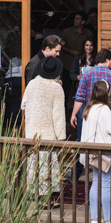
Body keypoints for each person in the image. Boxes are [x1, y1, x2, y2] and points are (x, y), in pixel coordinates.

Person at [22, 56, 66, 196]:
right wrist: (61, 138)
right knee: (46, 165)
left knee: (33, 163)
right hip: (48, 134)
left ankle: (32, 193)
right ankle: (45, 195)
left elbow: (23, 105)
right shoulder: (56, 88)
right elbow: (58, 116)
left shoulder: (31, 84)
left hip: (31, 132)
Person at [81, 80, 111, 223]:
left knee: (95, 183)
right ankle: (109, 219)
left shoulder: (88, 108)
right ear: (106, 93)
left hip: (92, 151)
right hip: (104, 151)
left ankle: (94, 218)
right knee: (106, 184)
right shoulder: (104, 109)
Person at [70, 49, 111, 130]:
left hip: (90, 116)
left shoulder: (86, 75)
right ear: (106, 60)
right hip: (108, 117)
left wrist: (73, 114)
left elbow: (79, 97)